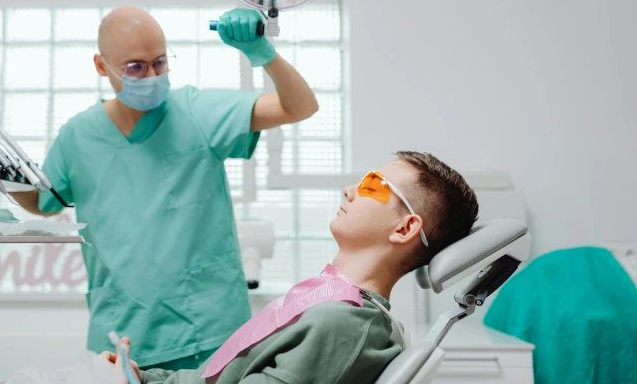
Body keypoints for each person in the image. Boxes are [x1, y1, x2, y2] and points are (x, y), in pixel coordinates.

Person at [10, 6, 319, 371]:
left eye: (159, 62)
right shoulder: (77, 136)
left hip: (208, 330)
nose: (152, 76)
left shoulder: (196, 111)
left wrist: (262, 54)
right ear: (101, 65)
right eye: (135, 67)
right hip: (121, 333)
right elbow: (41, 202)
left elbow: (300, 106)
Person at [101, 151, 480, 384]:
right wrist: (143, 377)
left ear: (405, 228)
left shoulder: (346, 327)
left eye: (372, 185)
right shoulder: (326, 305)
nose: (350, 189)